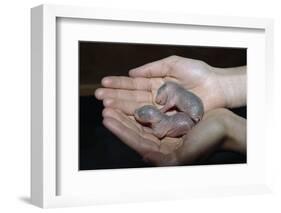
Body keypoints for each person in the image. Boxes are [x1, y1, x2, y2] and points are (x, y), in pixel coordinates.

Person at [95, 55, 247, 166]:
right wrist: (227, 85)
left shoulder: (162, 119)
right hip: (191, 116)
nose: (138, 116)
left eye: (141, 115)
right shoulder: (168, 106)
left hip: (192, 116)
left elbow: (159, 130)